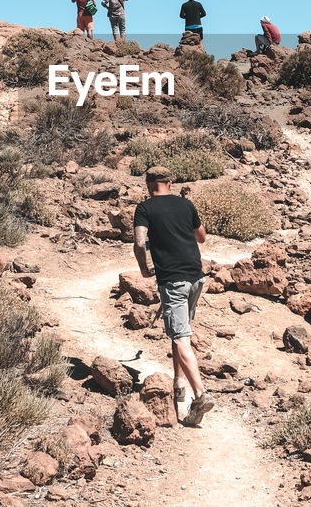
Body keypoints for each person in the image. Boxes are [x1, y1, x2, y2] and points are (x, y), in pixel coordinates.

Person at [133, 166, 215, 426]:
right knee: (179, 330)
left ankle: (200, 395)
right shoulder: (185, 204)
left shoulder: (145, 209)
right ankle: (178, 384)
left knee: (180, 338)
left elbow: (138, 242)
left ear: (148, 184)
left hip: (172, 281)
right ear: (170, 182)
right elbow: (201, 237)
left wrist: (144, 268)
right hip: (196, 278)